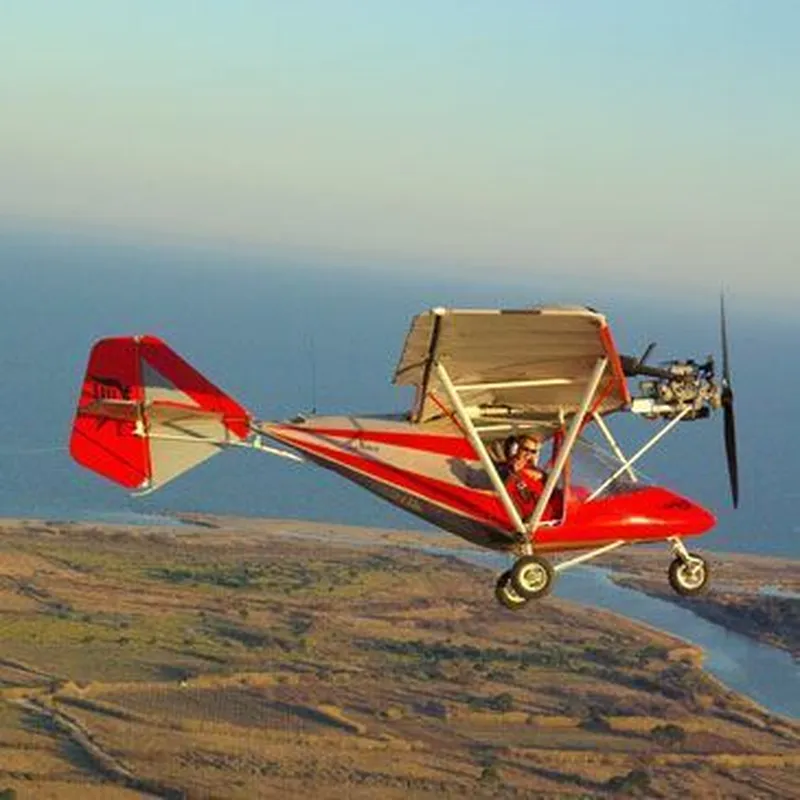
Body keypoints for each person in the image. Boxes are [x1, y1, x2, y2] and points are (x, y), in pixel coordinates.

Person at [499, 435, 562, 521]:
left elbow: (553, 487)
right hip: (531, 517)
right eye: (525, 449)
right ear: (517, 448)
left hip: (551, 513)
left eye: (533, 451)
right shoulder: (507, 468)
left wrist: (543, 476)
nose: (529, 454)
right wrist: (516, 472)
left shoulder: (536, 470)